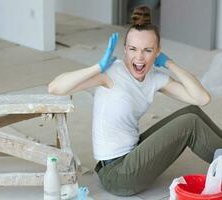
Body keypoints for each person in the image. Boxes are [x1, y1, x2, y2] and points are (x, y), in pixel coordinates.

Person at [48, 5, 222, 196]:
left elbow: (201, 99)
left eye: (147, 50)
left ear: (157, 51)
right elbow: (55, 87)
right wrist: (97, 67)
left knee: (192, 112)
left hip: (132, 155)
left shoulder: (154, 78)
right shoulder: (111, 74)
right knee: (190, 124)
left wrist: (169, 63)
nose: (139, 57)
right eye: (133, 49)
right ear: (125, 50)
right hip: (118, 174)